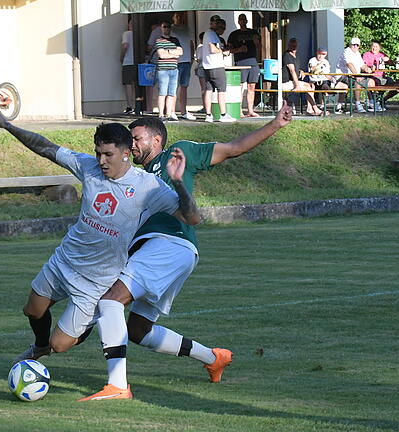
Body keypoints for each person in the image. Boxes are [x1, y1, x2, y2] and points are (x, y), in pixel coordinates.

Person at [77, 101, 295, 401]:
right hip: (161, 253)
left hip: (168, 244)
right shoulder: (130, 177)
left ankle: (117, 386)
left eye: (136, 138)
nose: (132, 145)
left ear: (157, 140)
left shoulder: (177, 153)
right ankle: (213, 358)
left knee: (111, 301)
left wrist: (275, 124)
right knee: (138, 330)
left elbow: (232, 148)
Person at [0, 103, 203, 370]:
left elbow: (192, 218)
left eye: (108, 154)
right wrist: (7, 125)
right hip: (65, 261)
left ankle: (81, 326)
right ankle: (38, 347)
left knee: (60, 345)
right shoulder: (89, 167)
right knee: (32, 310)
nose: (101, 161)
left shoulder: (148, 187)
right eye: (98, 153)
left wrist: (178, 183)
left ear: (126, 153)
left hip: (98, 280)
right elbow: (46, 147)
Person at [201, 17, 235, 122]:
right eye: (222, 27)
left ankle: (208, 115)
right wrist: (223, 52)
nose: (223, 30)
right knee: (221, 91)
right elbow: (213, 49)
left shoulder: (209, 34)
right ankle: (223, 115)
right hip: (216, 66)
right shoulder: (211, 34)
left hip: (207, 66)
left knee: (209, 90)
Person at [228, 13, 261, 117]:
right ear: (238, 21)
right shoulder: (234, 34)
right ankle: (239, 110)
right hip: (240, 64)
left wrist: (256, 43)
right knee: (240, 87)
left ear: (246, 21)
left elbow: (260, 47)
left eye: (244, 19)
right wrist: (239, 49)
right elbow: (229, 50)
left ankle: (250, 110)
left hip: (253, 63)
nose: (242, 21)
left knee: (252, 87)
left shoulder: (253, 32)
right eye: (240, 19)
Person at [282, 38, 324, 116]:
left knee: (311, 86)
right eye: (292, 45)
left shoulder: (295, 57)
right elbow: (292, 71)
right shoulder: (287, 56)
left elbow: (296, 69)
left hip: (292, 81)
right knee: (308, 87)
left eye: (295, 46)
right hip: (285, 82)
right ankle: (316, 109)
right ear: (288, 45)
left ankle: (309, 108)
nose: (294, 47)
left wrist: (301, 71)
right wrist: (297, 85)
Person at [335, 36, 376, 113]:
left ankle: (371, 103)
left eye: (357, 45)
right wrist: (357, 75)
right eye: (353, 44)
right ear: (350, 45)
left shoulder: (357, 53)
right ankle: (357, 103)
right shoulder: (346, 52)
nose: (355, 46)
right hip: (342, 76)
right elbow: (349, 64)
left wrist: (367, 69)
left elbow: (362, 65)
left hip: (352, 76)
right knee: (358, 81)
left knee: (371, 82)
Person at [154, 21, 183, 121]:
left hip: (174, 69)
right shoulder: (159, 40)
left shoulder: (175, 40)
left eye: (168, 27)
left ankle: (169, 114)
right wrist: (173, 53)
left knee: (172, 93)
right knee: (162, 92)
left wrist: (168, 52)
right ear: (161, 28)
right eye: (164, 27)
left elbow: (181, 52)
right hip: (163, 70)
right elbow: (161, 55)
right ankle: (161, 115)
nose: (167, 29)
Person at [171, 12, 196, 120]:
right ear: (173, 18)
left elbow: (191, 43)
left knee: (184, 86)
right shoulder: (171, 29)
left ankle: (183, 111)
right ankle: (171, 111)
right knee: (173, 87)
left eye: (180, 16)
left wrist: (191, 57)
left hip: (186, 61)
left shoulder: (187, 29)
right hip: (176, 61)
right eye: (176, 16)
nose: (179, 18)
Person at [308, 46, 348, 111]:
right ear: (317, 53)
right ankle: (330, 92)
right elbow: (312, 70)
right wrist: (320, 64)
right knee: (325, 86)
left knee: (344, 86)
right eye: (319, 54)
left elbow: (326, 74)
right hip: (316, 82)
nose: (321, 56)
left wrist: (332, 79)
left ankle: (339, 106)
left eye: (323, 54)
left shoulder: (326, 62)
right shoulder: (312, 60)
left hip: (326, 81)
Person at [362, 41, 390, 112]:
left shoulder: (382, 55)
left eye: (376, 47)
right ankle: (373, 102)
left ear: (379, 48)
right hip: (371, 75)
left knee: (394, 84)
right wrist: (371, 66)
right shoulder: (366, 54)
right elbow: (364, 65)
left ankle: (382, 100)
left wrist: (388, 59)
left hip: (382, 76)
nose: (374, 48)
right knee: (371, 83)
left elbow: (391, 62)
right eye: (373, 46)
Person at [121, 18, 137, 114]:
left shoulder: (126, 34)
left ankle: (129, 106)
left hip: (128, 62)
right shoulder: (139, 35)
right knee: (137, 85)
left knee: (128, 85)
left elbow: (125, 46)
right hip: (137, 61)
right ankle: (138, 106)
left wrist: (121, 57)